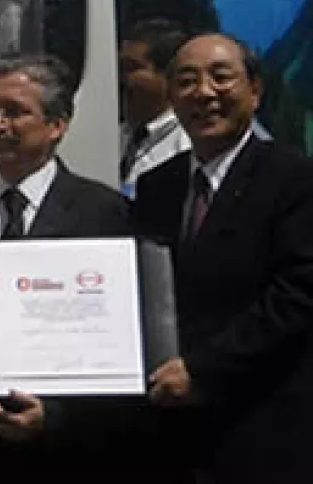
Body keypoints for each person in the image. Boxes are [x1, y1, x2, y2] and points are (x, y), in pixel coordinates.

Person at [0, 54, 147, 484]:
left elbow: (118, 338)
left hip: (59, 448)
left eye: (15, 112)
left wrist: (54, 417)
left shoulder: (102, 212)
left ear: (57, 125)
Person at [134, 32, 313, 482]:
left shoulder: (294, 179)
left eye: (220, 77)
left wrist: (201, 370)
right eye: (187, 81)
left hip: (261, 426)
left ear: (255, 91)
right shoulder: (157, 186)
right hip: (171, 432)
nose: (204, 93)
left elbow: (296, 297)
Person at [119, 18, 192, 197]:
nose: (121, 79)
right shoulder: (122, 135)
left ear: (168, 75)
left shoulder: (186, 146)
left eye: (131, 68)